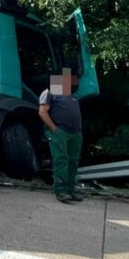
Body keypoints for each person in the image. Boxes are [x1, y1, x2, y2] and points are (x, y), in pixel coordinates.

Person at [39, 69, 83, 204]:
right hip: (61, 132)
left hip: (75, 133)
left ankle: (70, 189)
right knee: (61, 160)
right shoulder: (49, 93)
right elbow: (42, 112)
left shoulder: (72, 96)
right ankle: (61, 191)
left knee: (73, 161)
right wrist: (54, 129)